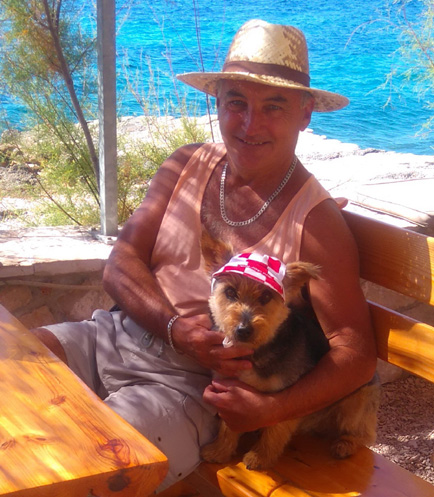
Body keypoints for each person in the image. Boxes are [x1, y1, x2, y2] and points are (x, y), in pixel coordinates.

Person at [32, 19, 377, 492]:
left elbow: (356, 354)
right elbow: (121, 263)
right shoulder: (186, 164)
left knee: (84, 463)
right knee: (13, 368)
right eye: (236, 102)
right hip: (110, 336)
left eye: (273, 107)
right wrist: (176, 329)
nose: (250, 124)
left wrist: (272, 409)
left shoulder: (316, 222)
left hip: (188, 387)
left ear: (305, 113)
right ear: (217, 103)